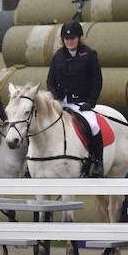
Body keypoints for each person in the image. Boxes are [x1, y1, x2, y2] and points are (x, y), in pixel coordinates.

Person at [47, 20, 104, 177]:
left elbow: (97, 81)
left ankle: (98, 161)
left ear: (79, 38)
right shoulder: (58, 56)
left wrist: (90, 102)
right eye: (67, 39)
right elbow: (50, 80)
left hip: (81, 104)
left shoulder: (89, 54)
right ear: (63, 40)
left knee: (93, 126)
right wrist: (54, 98)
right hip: (60, 102)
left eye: (72, 38)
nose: (70, 41)